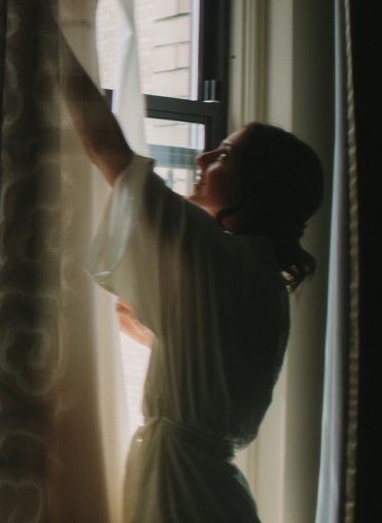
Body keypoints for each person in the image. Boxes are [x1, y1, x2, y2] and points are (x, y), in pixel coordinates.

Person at [59, 45, 323, 523]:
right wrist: (156, 336)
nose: (202, 157)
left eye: (223, 155)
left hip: (186, 498)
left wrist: (49, 40)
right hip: (207, 495)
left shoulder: (216, 257)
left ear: (257, 187)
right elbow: (219, 361)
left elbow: (106, 150)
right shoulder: (261, 280)